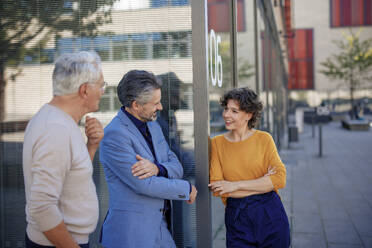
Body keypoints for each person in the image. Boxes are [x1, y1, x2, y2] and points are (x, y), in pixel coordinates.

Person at [99, 70, 197, 248]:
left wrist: (158, 168)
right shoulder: (114, 135)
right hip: (132, 234)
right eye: (156, 103)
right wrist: (186, 188)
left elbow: (176, 166)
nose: (160, 107)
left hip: (160, 229)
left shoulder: (154, 126)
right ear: (136, 105)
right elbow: (143, 184)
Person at [22, 51, 105, 247]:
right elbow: (42, 207)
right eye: (101, 85)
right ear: (85, 90)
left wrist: (91, 146)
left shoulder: (58, 120)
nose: (103, 91)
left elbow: (70, 177)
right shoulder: (56, 129)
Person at [209, 87, 290, 248]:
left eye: (234, 111)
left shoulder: (264, 139)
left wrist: (234, 185)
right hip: (237, 218)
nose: (226, 114)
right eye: (226, 109)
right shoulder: (217, 143)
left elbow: (279, 179)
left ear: (249, 114)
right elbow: (218, 188)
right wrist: (263, 183)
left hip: (269, 213)